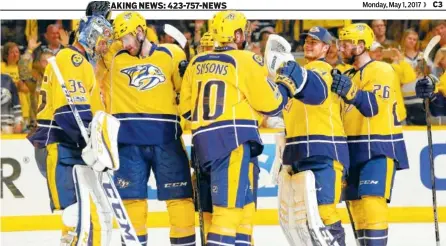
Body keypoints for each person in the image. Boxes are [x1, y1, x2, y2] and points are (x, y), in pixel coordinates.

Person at [180, 10, 315, 246]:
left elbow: (186, 111)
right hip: (232, 140)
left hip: (201, 143)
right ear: (238, 33)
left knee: (234, 211)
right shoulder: (246, 59)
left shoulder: (195, 62)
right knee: (229, 212)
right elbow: (271, 104)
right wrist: (285, 84)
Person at [107, 11, 195, 246]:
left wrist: (189, 72)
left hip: (167, 138)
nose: (124, 44)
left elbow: (185, 93)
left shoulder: (171, 53)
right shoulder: (114, 57)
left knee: (180, 198)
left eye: (126, 37)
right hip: (127, 142)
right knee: (131, 200)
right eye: (120, 39)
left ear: (140, 31)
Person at [26, 14, 114, 245]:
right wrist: (94, 148)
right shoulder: (72, 59)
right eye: (102, 40)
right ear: (90, 36)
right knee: (77, 215)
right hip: (60, 145)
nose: (104, 47)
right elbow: (69, 112)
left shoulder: (78, 61)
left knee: (80, 216)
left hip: (67, 144)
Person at [333, 23, 409, 246]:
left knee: (372, 206)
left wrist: (350, 91)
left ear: (361, 45)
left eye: (346, 44)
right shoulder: (346, 73)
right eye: (340, 43)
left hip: (378, 147)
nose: (341, 48)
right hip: (350, 150)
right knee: (357, 210)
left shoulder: (382, 70)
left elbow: (372, 107)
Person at [279, 26, 349, 245]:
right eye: (307, 41)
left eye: (315, 42)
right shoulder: (298, 76)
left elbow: (315, 91)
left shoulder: (323, 71)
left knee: (324, 211)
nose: (308, 44)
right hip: (300, 151)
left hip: (325, 150)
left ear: (326, 47)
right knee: (307, 219)